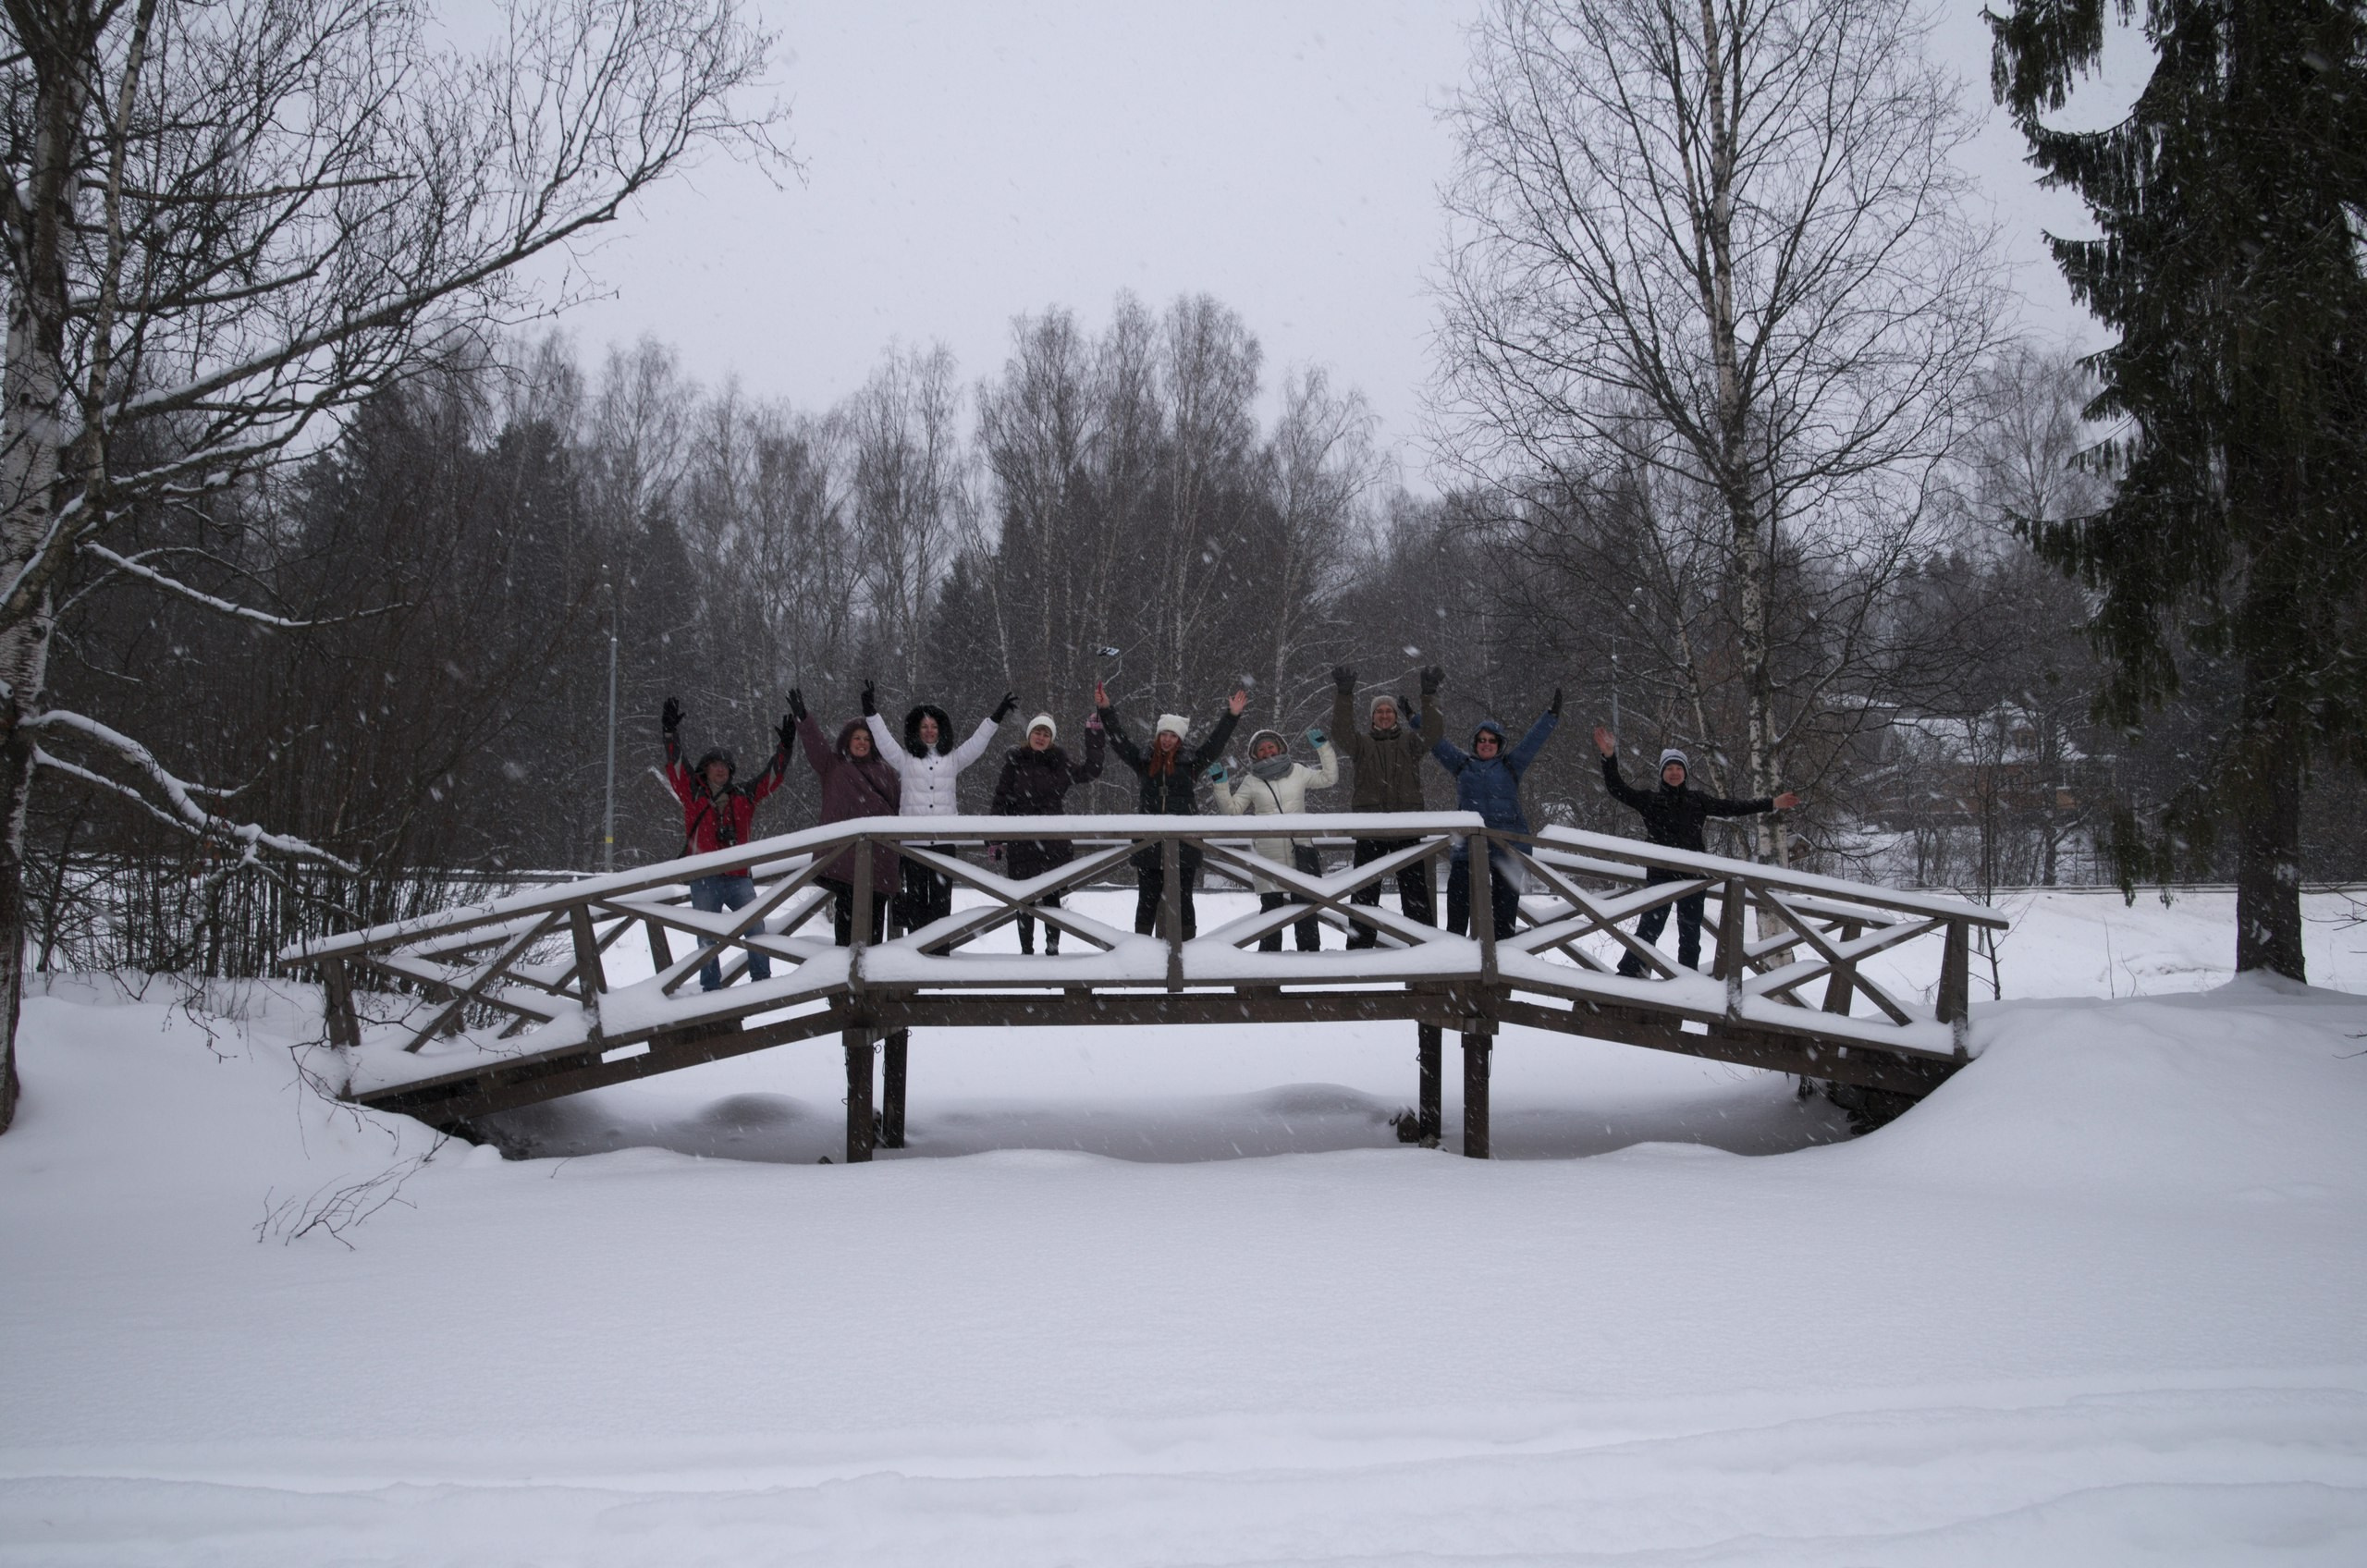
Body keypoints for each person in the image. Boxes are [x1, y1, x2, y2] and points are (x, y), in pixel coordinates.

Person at [1594, 727, 1800, 975]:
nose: (1674, 773)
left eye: (1679, 768)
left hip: (1694, 875)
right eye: (1669, 768)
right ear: (1662, 773)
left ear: (1685, 773)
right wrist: (1609, 757)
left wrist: (1772, 803)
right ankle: (1633, 970)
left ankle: (1687, 978)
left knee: (1690, 934)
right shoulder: (1650, 800)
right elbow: (1618, 789)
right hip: (1661, 874)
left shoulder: (1698, 800)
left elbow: (1732, 807)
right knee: (1650, 927)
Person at [661, 696, 793, 990]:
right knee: (707, 937)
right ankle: (711, 988)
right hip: (704, 878)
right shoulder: (692, 793)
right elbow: (675, 765)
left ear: (731, 770)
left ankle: (761, 981)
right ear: (704, 770)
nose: (720, 770)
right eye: (714, 765)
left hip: (737, 877)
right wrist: (670, 733)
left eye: (724, 766)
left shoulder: (744, 795)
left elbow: (772, 777)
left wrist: (785, 748)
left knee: (756, 929)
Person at [1096, 680, 1245, 940]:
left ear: (1180, 739)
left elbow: (1216, 744)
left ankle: (1186, 948)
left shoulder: (1192, 762)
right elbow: (1119, 741)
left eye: (1172, 735)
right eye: (1163, 734)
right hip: (1149, 842)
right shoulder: (1143, 760)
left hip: (1185, 842)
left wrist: (1231, 716)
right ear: (1158, 736)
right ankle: (1142, 946)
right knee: (1147, 899)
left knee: (1183, 898)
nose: (1167, 739)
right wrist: (1107, 710)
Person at [865, 680, 1013, 935]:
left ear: (941, 730)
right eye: (924, 726)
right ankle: (917, 959)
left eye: (934, 726)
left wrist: (995, 718)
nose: (930, 731)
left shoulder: (952, 758)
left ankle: (940, 956)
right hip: (913, 845)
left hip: (944, 843)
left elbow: (977, 744)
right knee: (916, 907)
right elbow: (883, 740)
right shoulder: (904, 759)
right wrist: (871, 713)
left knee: (942, 907)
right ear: (916, 730)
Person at [1430, 690, 1564, 941]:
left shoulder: (1511, 766)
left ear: (1499, 744)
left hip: (1507, 847)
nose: (1487, 744)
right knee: (1458, 910)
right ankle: (1455, 959)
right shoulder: (1463, 766)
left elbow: (1532, 742)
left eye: (1492, 740)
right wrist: (1415, 718)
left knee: (1504, 918)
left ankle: (1501, 964)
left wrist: (1551, 715)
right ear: (1475, 744)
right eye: (1482, 740)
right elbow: (1437, 744)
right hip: (1469, 848)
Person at [1331, 663, 1439, 946]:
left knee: (1415, 895)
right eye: (1380, 711)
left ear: (1395, 716)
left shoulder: (1411, 743)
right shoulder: (1360, 744)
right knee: (1364, 895)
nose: (1385, 714)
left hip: (1407, 827)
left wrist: (1428, 695)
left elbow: (1435, 732)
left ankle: (1422, 948)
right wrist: (1344, 695)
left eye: (1389, 710)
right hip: (1370, 829)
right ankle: (1359, 950)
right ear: (1373, 717)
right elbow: (1341, 731)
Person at [1211, 724, 1340, 951]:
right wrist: (1221, 785)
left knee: (1306, 911)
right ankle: (1268, 968)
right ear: (1254, 754)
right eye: (1261, 749)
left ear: (1280, 748)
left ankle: (1309, 962)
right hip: (1268, 857)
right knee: (1271, 913)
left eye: (1270, 746)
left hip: (1300, 852)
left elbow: (1329, 778)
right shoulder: (1252, 781)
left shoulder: (1298, 771)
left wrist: (1324, 748)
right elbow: (1233, 811)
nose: (1267, 751)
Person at [791, 687, 902, 949]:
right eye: (857, 738)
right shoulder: (834, 766)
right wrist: (803, 718)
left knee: (874, 928)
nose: (862, 742)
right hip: (844, 860)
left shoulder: (887, 772)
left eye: (866, 738)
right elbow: (815, 745)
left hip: (880, 860)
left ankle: (869, 982)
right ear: (847, 741)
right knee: (846, 925)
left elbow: (898, 811)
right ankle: (844, 981)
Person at [988, 710, 1107, 954]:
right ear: (1029, 734)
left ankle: (1052, 952)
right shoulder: (1014, 762)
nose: (1040, 737)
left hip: (1053, 844)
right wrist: (994, 839)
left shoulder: (1059, 764)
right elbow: (1000, 800)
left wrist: (1094, 737)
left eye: (1046, 734)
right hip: (1021, 842)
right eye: (1037, 732)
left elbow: (1091, 771)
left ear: (1051, 739)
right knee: (1023, 902)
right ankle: (1027, 953)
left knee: (1051, 901)